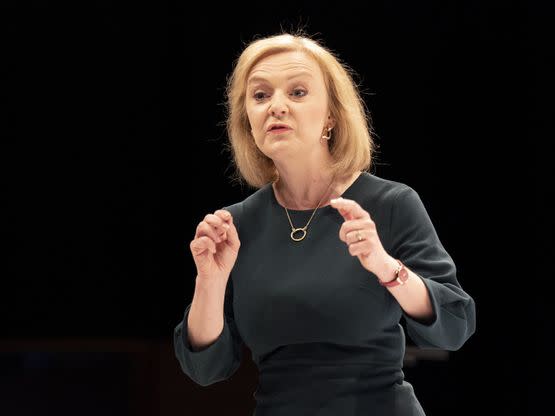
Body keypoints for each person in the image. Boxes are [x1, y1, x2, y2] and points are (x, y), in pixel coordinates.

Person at [173, 32, 476, 416]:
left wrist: (384, 266)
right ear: (247, 120)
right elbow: (205, 368)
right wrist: (209, 283)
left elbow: (454, 326)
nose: (276, 107)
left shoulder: (391, 204)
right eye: (261, 95)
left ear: (331, 115)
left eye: (297, 93)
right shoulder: (236, 226)